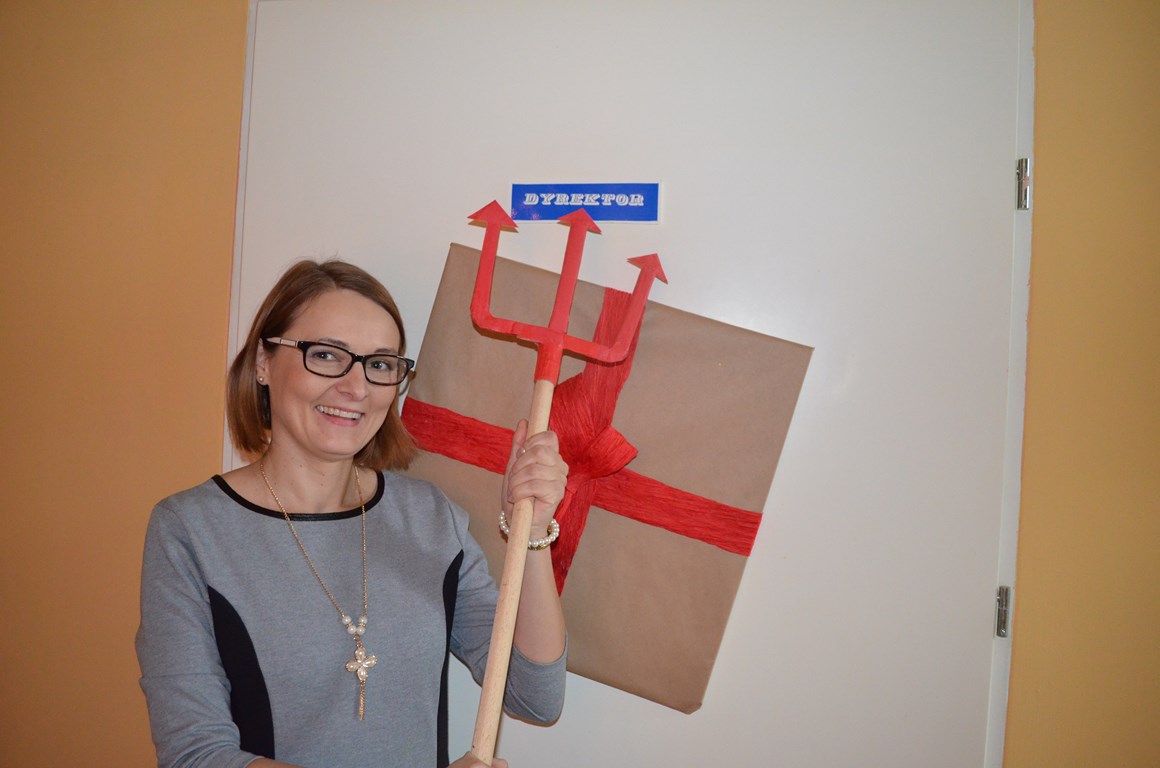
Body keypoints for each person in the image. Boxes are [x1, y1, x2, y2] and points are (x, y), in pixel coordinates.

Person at [136, 260, 568, 768]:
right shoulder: (190, 530)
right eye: (325, 355)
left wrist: (532, 532)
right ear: (262, 362)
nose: (357, 388)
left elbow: (533, 696)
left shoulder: (430, 517)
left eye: (379, 365)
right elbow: (195, 756)